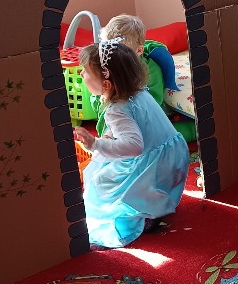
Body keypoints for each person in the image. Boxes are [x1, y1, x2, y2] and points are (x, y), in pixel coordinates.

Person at [74, 39, 190, 249]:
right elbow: (135, 126)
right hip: (174, 158)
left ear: (106, 85)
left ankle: (135, 217)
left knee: (101, 181)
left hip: (153, 168)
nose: (81, 74)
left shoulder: (116, 110)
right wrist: (108, 138)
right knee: (104, 161)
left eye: (85, 72)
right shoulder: (139, 92)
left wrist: (96, 144)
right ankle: (152, 208)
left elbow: (134, 146)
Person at [90, 14, 196, 143]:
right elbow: (96, 96)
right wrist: (101, 99)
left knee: (160, 138)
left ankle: (194, 129)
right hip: (118, 116)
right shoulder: (107, 65)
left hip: (147, 118)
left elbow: (154, 102)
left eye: (121, 54)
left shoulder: (150, 70)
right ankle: (111, 136)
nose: (114, 59)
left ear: (139, 50)